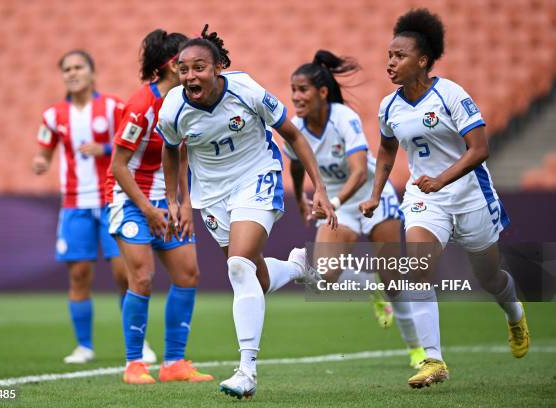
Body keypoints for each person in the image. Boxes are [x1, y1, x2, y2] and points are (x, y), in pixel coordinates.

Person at [157, 25, 336, 399]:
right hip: (211, 195)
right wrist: (176, 199)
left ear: (218, 67)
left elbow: (294, 135)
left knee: (239, 266)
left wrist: (317, 187)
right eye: (184, 69)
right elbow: (170, 149)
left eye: (199, 67)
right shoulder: (173, 107)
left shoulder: (246, 90)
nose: (191, 76)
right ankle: (299, 268)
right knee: (256, 277)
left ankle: (246, 371)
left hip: (257, 177)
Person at [359, 8, 530, 388]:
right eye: (388, 56)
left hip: (469, 195)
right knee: (418, 268)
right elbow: (386, 151)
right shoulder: (389, 106)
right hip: (425, 198)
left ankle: (514, 313)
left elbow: (479, 148)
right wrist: (374, 194)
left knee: (489, 276)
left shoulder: (451, 94)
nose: (390, 62)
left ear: (422, 60)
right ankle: (433, 360)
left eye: (399, 56)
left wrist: (442, 179)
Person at [287, 50, 425, 369]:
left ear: (322, 92)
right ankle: (369, 285)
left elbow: (360, 171)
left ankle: (418, 350)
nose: (296, 97)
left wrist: (331, 203)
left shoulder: (342, 118)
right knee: (324, 275)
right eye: (293, 89)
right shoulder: (296, 127)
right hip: (338, 204)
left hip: (371, 196)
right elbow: (295, 166)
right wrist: (299, 200)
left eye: (303, 89)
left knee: (393, 280)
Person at [32, 50, 156, 365]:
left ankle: (139, 343)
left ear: (92, 72)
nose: (72, 73)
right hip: (74, 204)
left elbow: (134, 140)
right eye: (67, 69)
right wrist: (40, 161)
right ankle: (84, 346)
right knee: (79, 274)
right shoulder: (53, 116)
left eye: (78, 67)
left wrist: (103, 148)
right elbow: (44, 150)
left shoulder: (113, 107)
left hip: (112, 199)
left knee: (122, 274)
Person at [107, 30, 213, 385]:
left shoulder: (185, 103)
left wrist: (183, 204)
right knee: (142, 277)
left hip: (165, 202)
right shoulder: (141, 108)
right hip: (131, 201)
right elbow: (118, 166)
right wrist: (148, 209)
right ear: (172, 64)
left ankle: (173, 364)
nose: (190, 72)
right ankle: (134, 364)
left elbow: (182, 156)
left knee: (188, 274)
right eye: (184, 63)